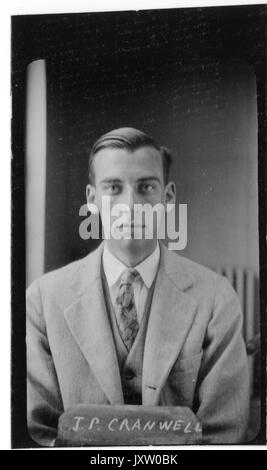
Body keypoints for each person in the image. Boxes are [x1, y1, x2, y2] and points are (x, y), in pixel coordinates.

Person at [26, 127, 250, 446]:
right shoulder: (42, 300)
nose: (130, 205)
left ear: (168, 197)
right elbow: (37, 433)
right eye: (113, 188)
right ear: (92, 200)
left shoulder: (216, 298)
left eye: (146, 187)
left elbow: (224, 434)